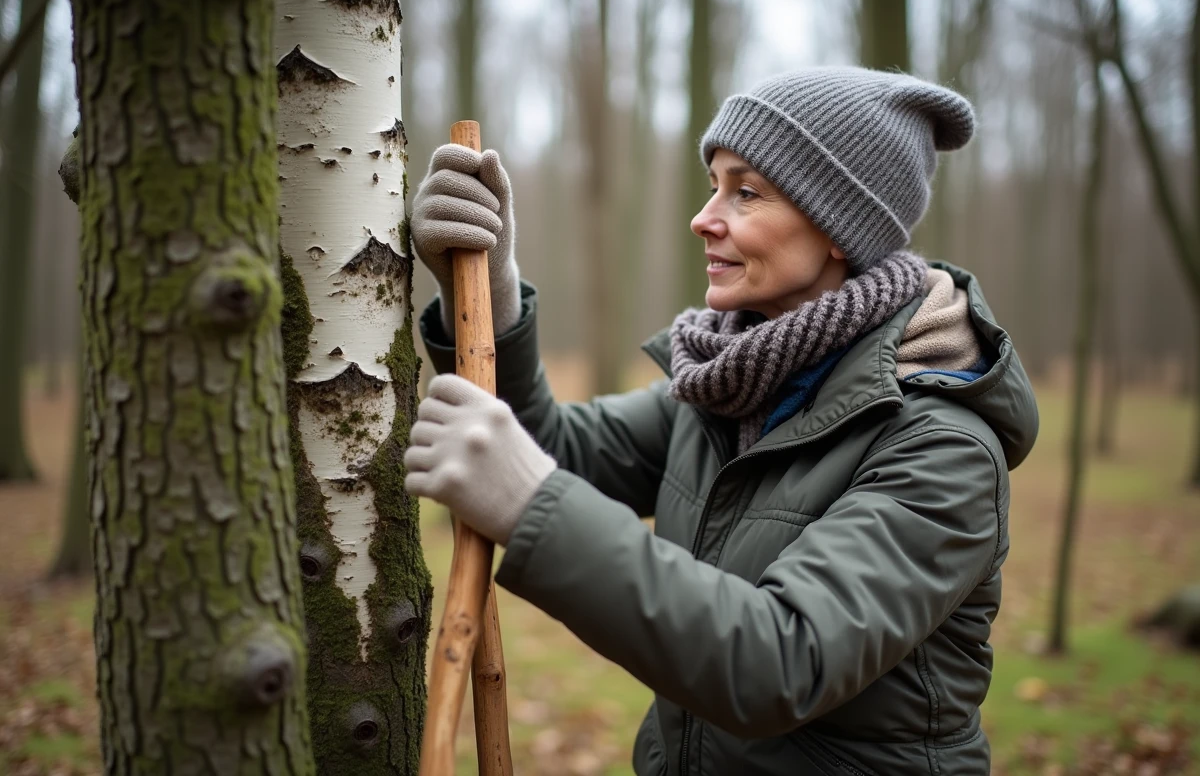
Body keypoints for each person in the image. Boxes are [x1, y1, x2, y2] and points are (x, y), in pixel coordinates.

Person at [403, 66, 1039, 775]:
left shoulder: (942, 445)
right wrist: (491, 293)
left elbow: (780, 661)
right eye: (714, 184)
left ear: (838, 227)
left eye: (746, 191)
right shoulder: (731, 385)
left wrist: (529, 505)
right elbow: (546, 452)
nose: (705, 217)